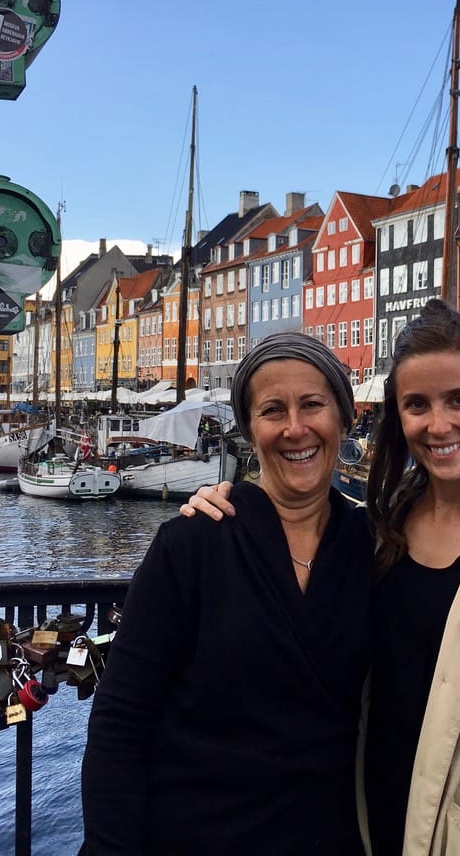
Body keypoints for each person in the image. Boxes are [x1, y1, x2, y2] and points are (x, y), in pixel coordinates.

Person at [183, 299, 460, 854]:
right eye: (417, 404)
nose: (438, 425)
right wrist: (224, 499)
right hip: (364, 829)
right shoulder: (383, 527)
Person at [80, 332, 373, 855]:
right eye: (272, 410)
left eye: (313, 405)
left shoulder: (375, 546)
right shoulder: (192, 544)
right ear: (248, 428)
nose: (295, 428)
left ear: (345, 417)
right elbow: (120, 722)